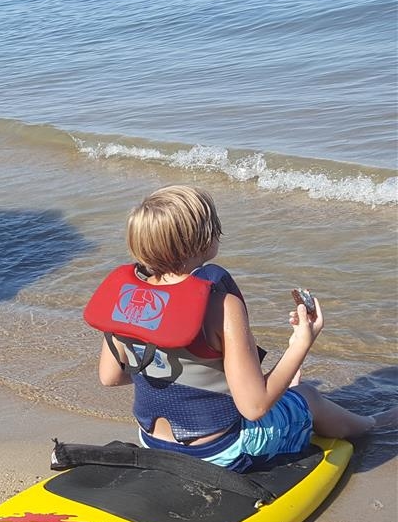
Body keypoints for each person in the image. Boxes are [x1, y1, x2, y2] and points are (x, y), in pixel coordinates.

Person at [85, 185, 396, 472]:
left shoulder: (124, 299)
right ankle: (370, 425)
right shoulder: (220, 304)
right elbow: (255, 407)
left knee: (275, 390)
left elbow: (110, 377)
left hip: (152, 441)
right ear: (206, 240)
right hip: (223, 451)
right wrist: (302, 342)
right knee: (309, 397)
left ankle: (290, 393)